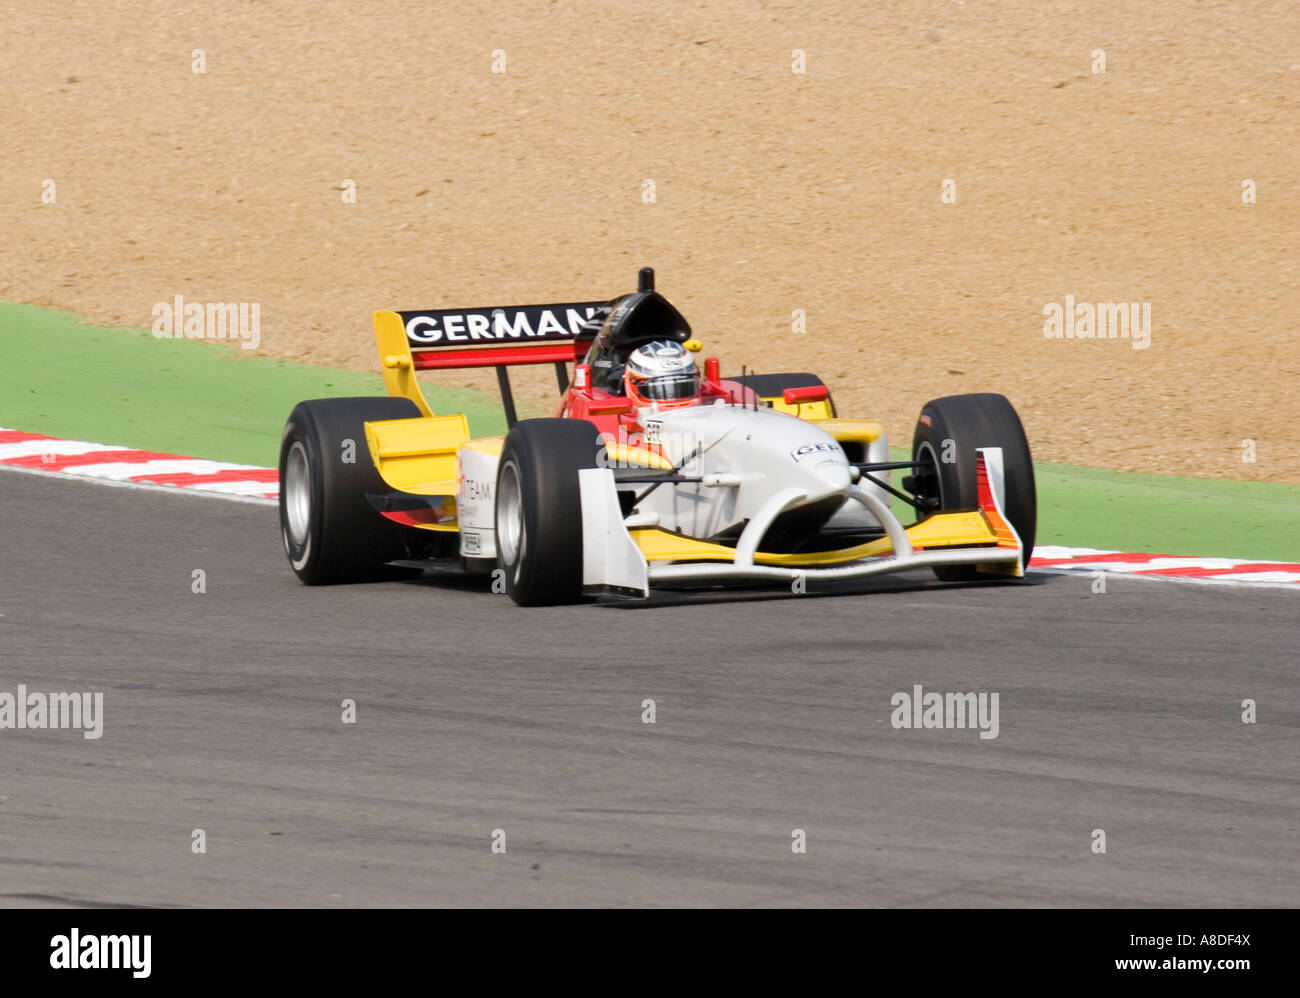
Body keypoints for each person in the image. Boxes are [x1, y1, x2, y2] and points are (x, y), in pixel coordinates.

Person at [622, 340, 701, 410]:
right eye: (658, 392)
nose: (674, 401)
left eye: (684, 389)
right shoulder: (620, 424)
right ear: (632, 384)